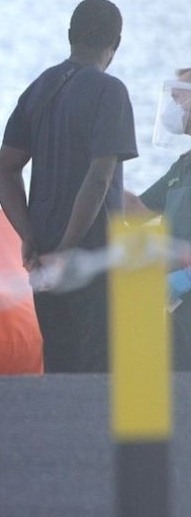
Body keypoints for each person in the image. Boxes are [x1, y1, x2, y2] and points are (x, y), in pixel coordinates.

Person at [0, 0, 137, 374]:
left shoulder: (40, 87)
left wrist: (29, 233)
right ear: (116, 43)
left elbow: (4, 171)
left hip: (44, 257)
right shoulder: (110, 92)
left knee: (61, 367)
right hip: (90, 259)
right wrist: (70, 247)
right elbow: (100, 177)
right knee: (100, 374)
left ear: (70, 35)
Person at [125, 67, 191, 368]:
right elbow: (138, 211)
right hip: (177, 304)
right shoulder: (183, 166)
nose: (174, 105)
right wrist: (102, 177)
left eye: (180, 98)